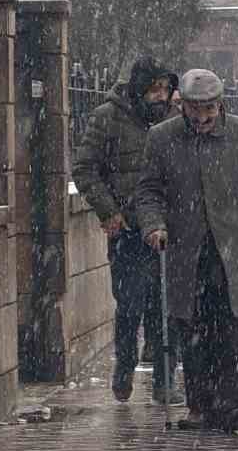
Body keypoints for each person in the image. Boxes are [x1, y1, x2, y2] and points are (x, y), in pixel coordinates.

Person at [134, 70, 238, 434]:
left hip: (233, 251)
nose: (201, 119)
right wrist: (154, 225)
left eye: (208, 111)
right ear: (181, 106)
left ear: (220, 104)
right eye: (194, 111)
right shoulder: (162, 138)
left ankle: (236, 405)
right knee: (194, 332)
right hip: (186, 250)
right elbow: (148, 191)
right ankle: (200, 405)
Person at [71, 56, 179, 403]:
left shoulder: (174, 122)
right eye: (154, 89)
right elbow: (86, 169)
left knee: (165, 307)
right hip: (127, 230)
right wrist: (109, 211)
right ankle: (125, 366)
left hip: (166, 228)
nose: (161, 96)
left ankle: (165, 379)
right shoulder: (107, 118)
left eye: (165, 89)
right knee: (130, 304)